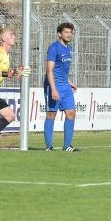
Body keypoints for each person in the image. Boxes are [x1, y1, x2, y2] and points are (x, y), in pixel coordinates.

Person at [43, 22, 78, 152]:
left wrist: (69, 82)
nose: (69, 35)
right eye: (66, 32)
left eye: (71, 32)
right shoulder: (54, 48)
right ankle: (49, 146)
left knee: (71, 113)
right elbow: (50, 70)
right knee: (51, 114)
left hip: (65, 86)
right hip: (54, 85)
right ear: (59, 34)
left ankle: (67, 146)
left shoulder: (69, 49)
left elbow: (62, 70)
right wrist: (53, 89)